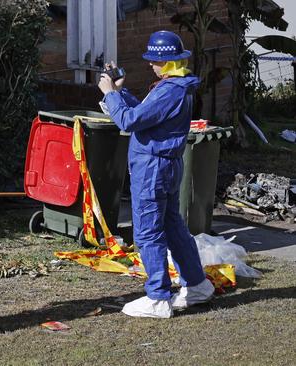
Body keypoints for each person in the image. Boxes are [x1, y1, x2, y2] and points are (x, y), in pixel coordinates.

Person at [97, 31, 215, 318]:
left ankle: (158, 298)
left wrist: (110, 94)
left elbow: (129, 120)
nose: (150, 65)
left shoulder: (169, 90)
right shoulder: (176, 85)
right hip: (166, 165)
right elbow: (146, 114)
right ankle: (197, 284)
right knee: (173, 227)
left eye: (154, 61)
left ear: (165, 62)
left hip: (153, 167)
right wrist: (121, 91)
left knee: (148, 232)